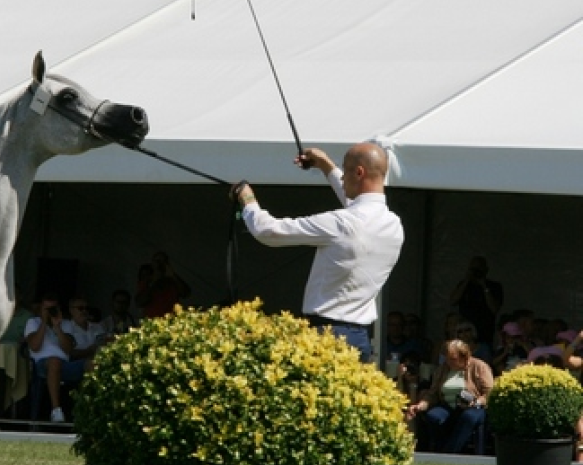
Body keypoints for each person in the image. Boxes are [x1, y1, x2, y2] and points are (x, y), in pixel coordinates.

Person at [231, 143, 404, 363]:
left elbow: (268, 231)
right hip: (360, 339)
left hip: (326, 336)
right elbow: (359, 204)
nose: (342, 178)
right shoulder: (394, 225)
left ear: (359, 172)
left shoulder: (342, 223)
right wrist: (325, 165)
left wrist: (247, 199)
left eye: (346, 170)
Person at [405, 339, 493, 454]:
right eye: (447, 358)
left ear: (465, 357)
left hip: (473, 407)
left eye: (453, 359)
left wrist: (477, 402)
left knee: (469, 417)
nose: (449, 362)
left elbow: (489, 392)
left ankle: (447, 454)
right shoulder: (443, 369)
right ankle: (439, 450)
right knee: (433, 417)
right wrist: (420, 405)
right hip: (447, 405)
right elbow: (433, 393)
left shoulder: (480, 367)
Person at [23, 294, 92, 423]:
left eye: (53, 308)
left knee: (92, 364)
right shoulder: (33, 322)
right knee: (55, 362)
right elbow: (34, 346)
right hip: (42, 365)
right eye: (46, 309)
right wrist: (44, 322)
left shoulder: (66, 324)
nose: (50, 312)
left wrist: (57, 327)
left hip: (65, 365)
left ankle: (90, 409)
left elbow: (68, 350)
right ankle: (56, 410)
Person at [449, 256, 503, 346]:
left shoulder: (494, 286)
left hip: (485, 330)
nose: (476, 272)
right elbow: (453, 301)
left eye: (479, 269)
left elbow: (494, 308)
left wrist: (484, 286)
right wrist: (466, 280)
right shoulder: (464, 285)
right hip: (465, 330)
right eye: (473, 269)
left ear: (486, 270)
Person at [135, 252, 191, 319]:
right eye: (157, 261)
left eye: (163, 261)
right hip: (152, 320)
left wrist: (173, 275)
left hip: (171, 320)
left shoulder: (173, 280)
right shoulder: (147, 281)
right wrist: (154, 281)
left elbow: (185, 293)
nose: (160, 264)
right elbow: (140, 302)